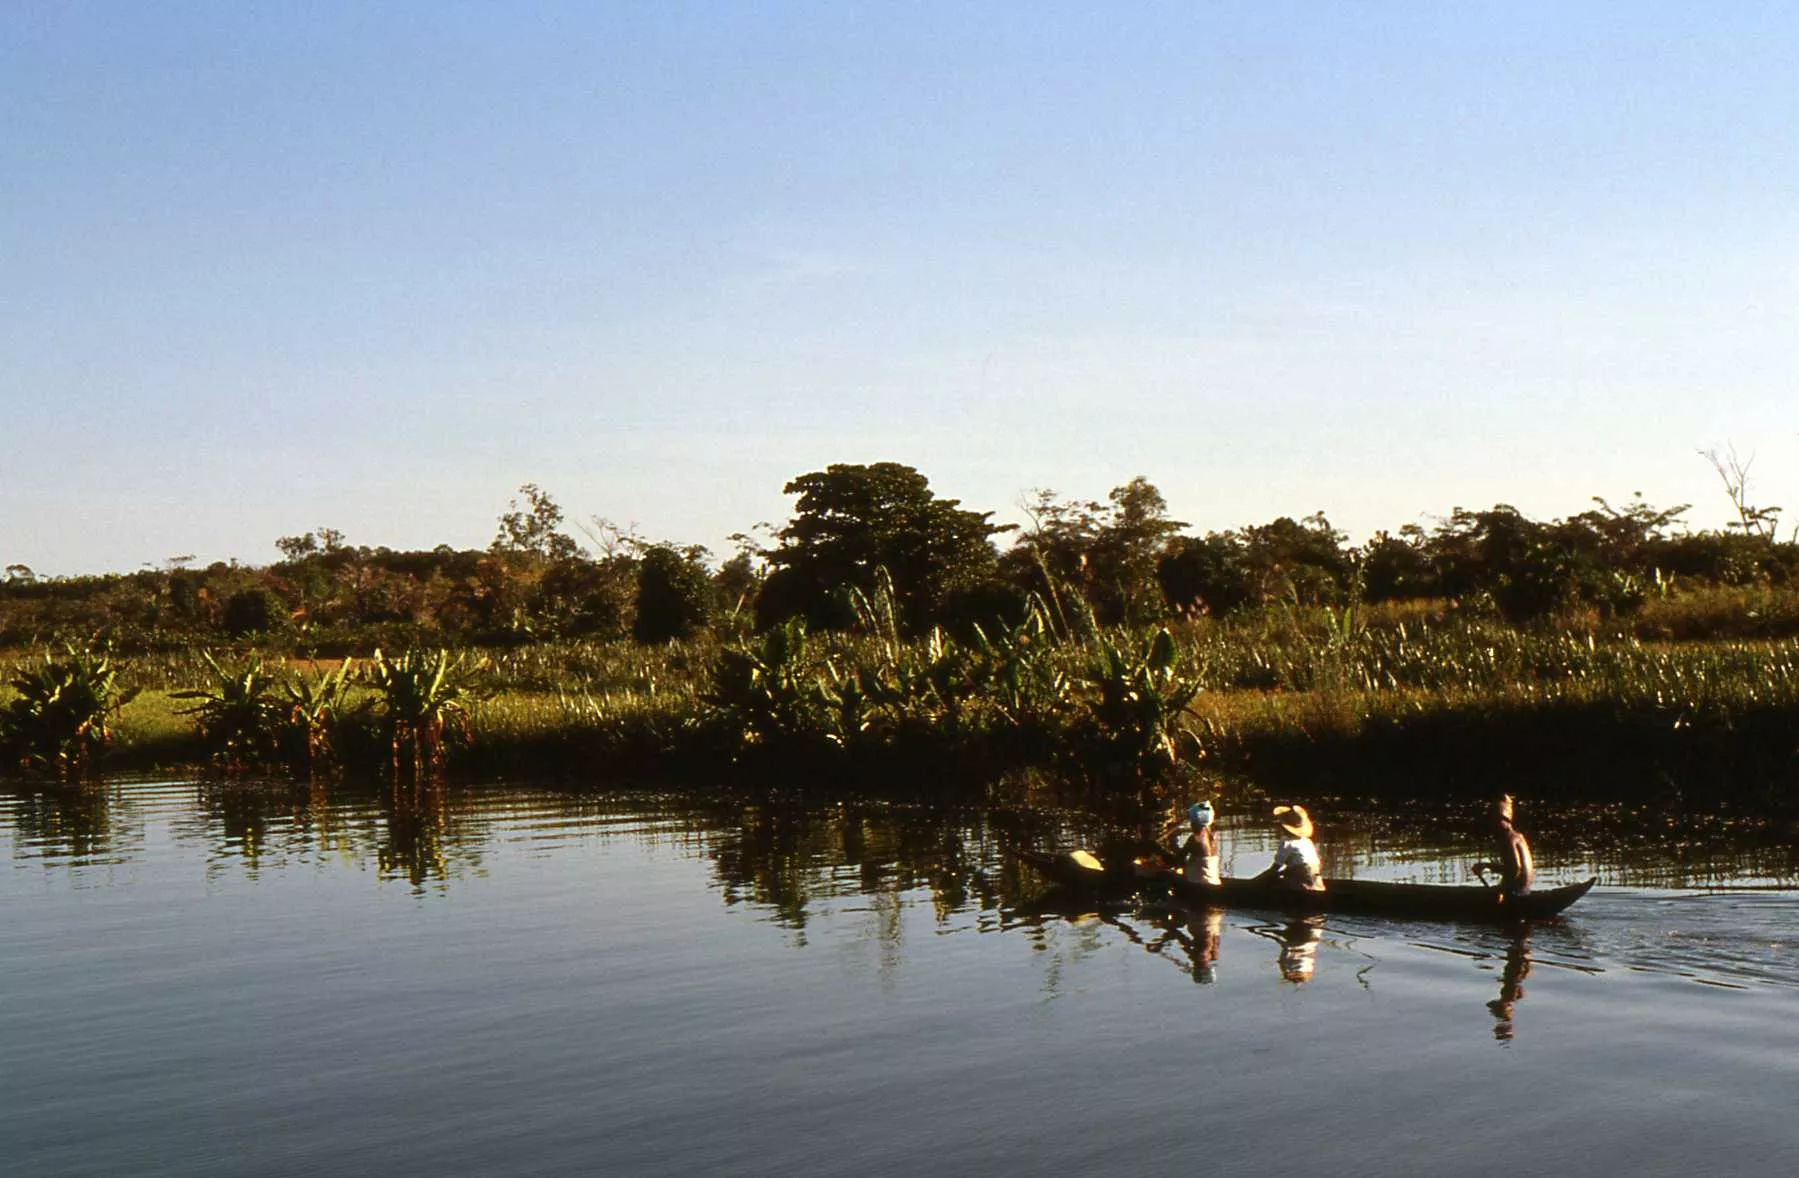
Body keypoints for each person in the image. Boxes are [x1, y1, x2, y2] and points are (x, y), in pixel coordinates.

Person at [1471, 794, 1535, 898]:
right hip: (1524, 891)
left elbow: (1514, 869)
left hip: (1515, 894)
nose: (1492, 824)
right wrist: (1487, 866)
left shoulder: (1508, 838)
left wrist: (1500, 891)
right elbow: (1513, 869)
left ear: (1504, 820)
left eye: (1494, 820)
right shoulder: (1518, 836)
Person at [1256, 803, 1325, 891]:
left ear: (1283, 827)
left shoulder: (1287, 842)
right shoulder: (1306, 841)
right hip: (1315, 876)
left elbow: (1276, 867)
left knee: (1273, 883)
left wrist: (1258, 880)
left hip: (1300, 877)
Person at [1179, 801, 1221, 886]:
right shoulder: (1214, 837)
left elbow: (1180, 857)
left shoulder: (1194, 839)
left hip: (1196, 883)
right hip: (1214, 881)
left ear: (1193, 824)